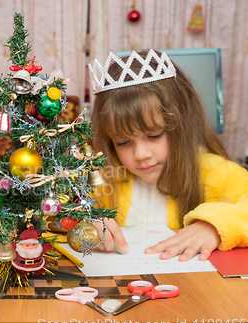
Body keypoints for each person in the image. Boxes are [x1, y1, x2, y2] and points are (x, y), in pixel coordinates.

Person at [89, 49, 248, 262]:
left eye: (153, 135)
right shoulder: (101, 174)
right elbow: (51, 208)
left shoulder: (213, 172)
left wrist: (213, 225)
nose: (141, 154)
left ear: (182, 125)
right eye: (123, 142)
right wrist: (82, 220)